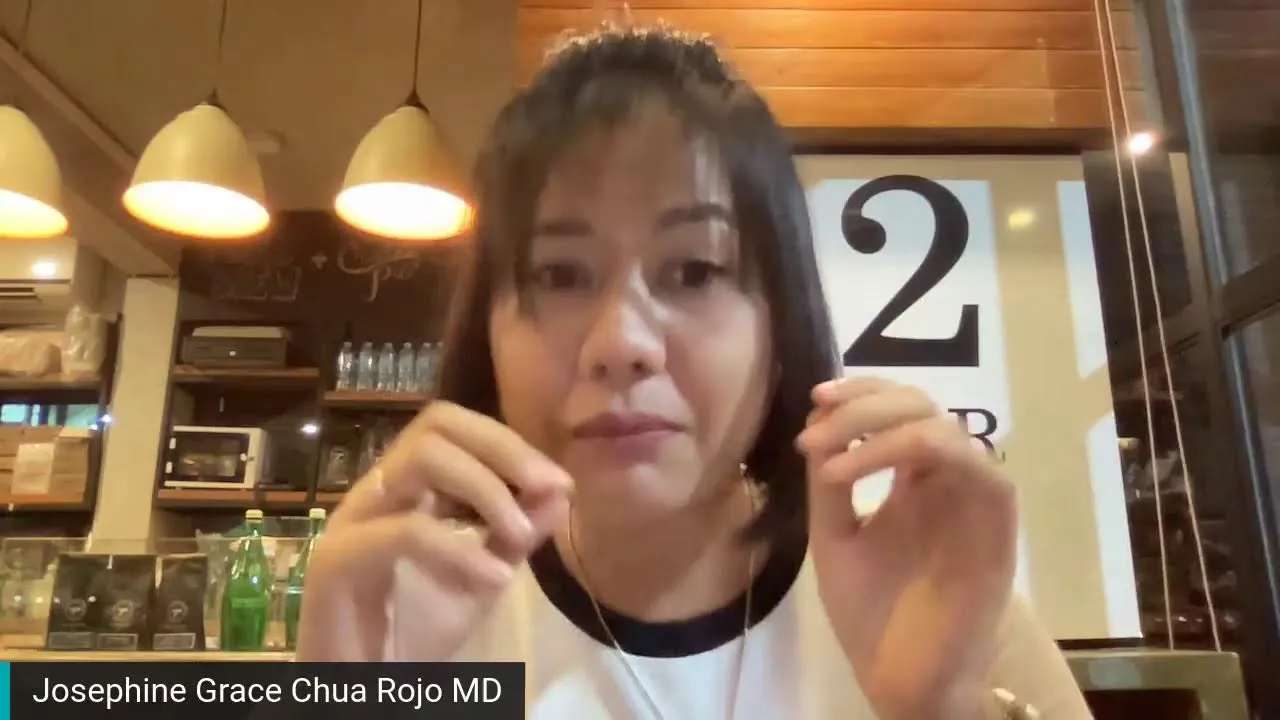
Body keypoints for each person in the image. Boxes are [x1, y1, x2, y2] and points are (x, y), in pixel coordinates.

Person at [296, 25, 1092, 720]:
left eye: (695, 271)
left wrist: (941, 710)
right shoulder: (412, 617)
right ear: (487, 333)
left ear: (781, 324)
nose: (621, 342)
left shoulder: (924, 597)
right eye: (560, 275)